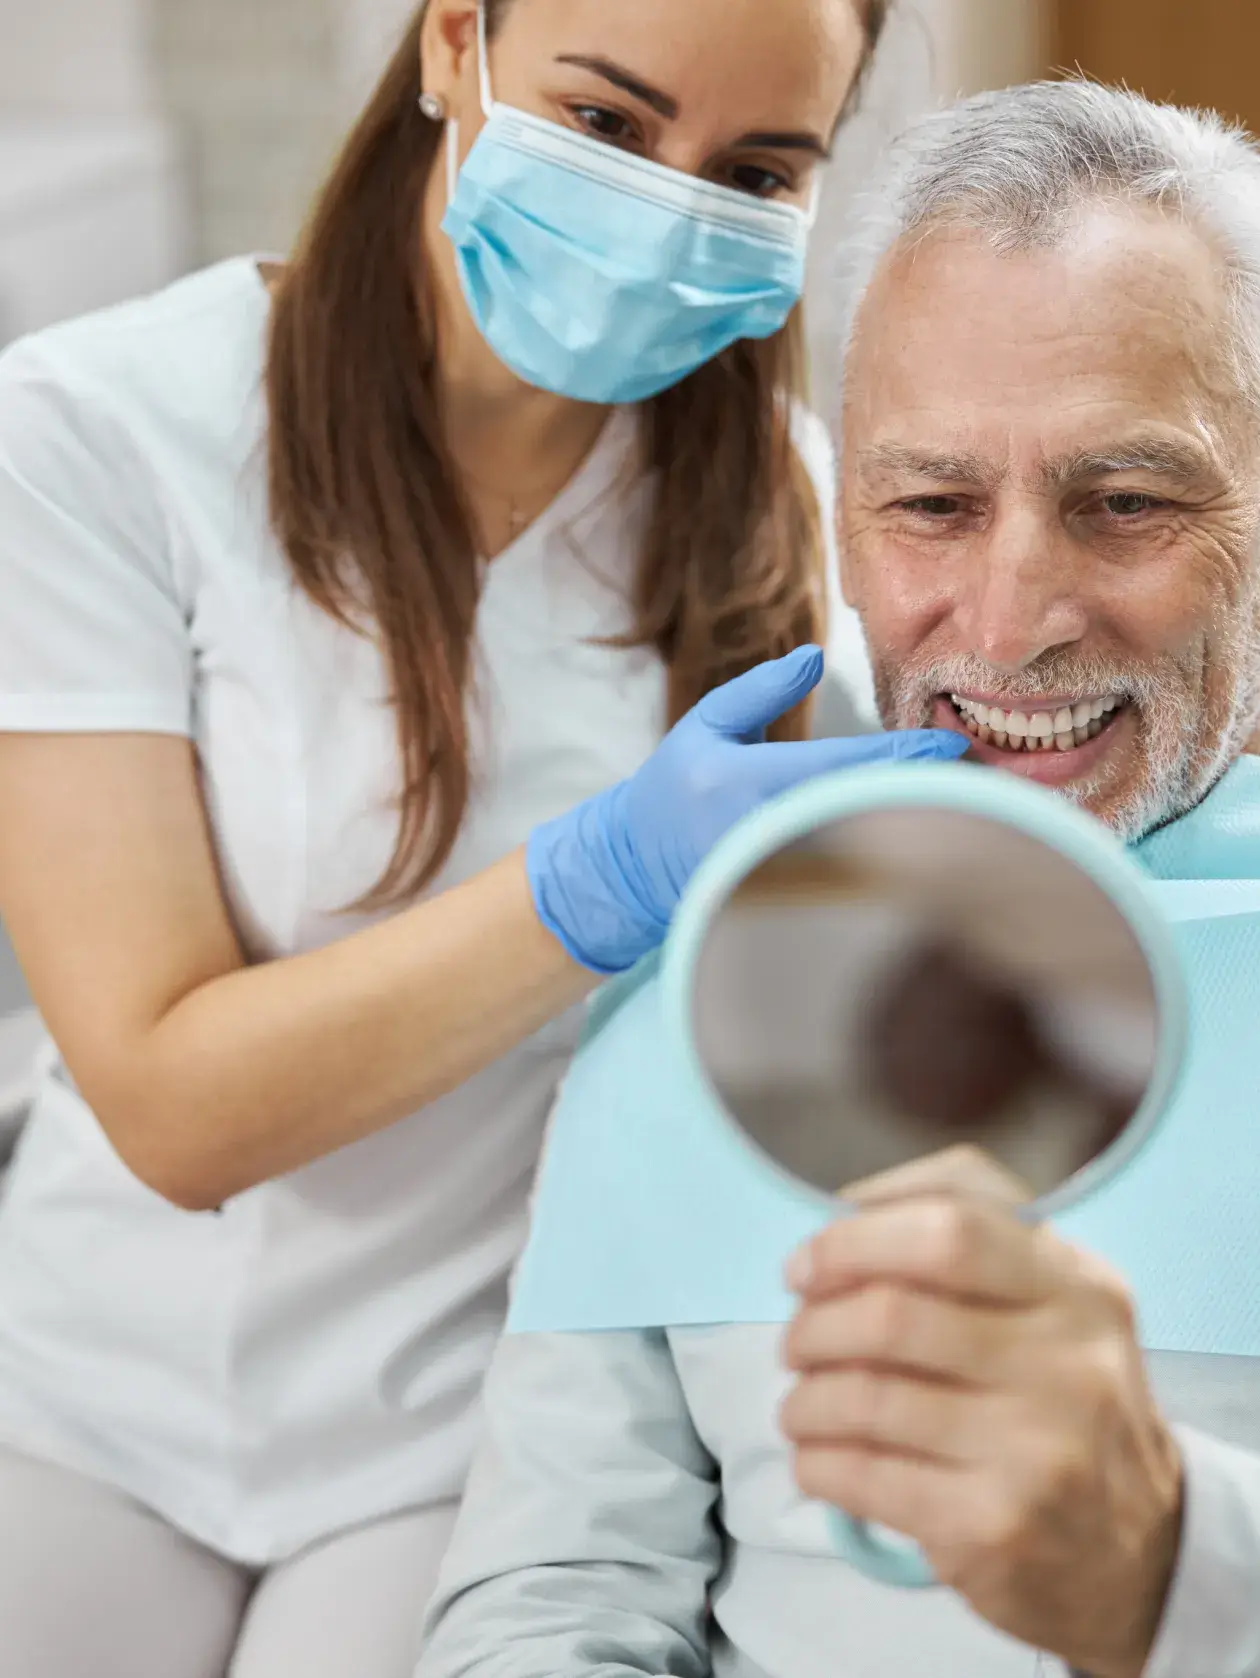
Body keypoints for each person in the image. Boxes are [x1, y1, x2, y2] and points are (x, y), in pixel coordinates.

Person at [418, 81, 1260, 1678]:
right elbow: (551, 1605)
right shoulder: (688, 1002)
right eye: (932, 506)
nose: (1012, 618)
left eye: (1127, 502)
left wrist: (1177, 1563)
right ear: (848, 531)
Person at [0, 2, 991, 1674]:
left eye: (754, 168)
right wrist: (592, 885)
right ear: (454, 40)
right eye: (607, 124)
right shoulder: (98, 431)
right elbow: (172, 1105)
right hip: (88, 1382)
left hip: (463, 1426)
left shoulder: (801, 528)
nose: (672, 206)